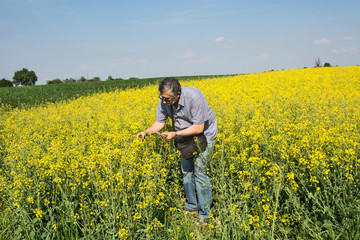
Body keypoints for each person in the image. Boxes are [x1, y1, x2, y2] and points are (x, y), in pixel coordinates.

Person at [136, 77, 217, 224]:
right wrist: (146, 132)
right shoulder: (164, 99)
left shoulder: (195, 96)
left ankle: (205, 214)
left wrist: (175, 134)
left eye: (167, 99)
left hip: (204, 134)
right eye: (162, 98)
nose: (164, 102)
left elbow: (198, 127)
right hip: (184, 137)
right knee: (187, 172)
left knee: (200, 172)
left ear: (177, 94)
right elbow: (160, 122)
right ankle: (192, 206)